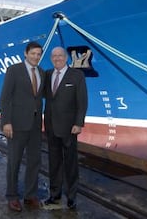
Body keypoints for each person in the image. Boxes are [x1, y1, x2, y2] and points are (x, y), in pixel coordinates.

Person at [0, 41, 45, 212]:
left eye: (39, 54)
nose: (36, 57)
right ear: (26, 53)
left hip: (34, 125)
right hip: (16, 124)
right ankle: (12, 196)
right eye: (33, 53)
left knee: (35, 161)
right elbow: (5, 98)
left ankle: (30, 195)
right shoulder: (14, 70)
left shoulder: (41, 72)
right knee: (14, 161)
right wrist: (6, 122)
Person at [43, 46, 88, 210]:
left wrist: (78, 123)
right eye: (54, 56)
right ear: (51, 58)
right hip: (51, 126)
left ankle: (71, 197)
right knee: (53, 163)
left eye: (60, 56)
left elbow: (82, 102)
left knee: (70, 163)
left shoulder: (77, 75)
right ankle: (54, 195)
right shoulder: (47, 75)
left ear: (66, 58)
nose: (57, 58)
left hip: (70, 127)